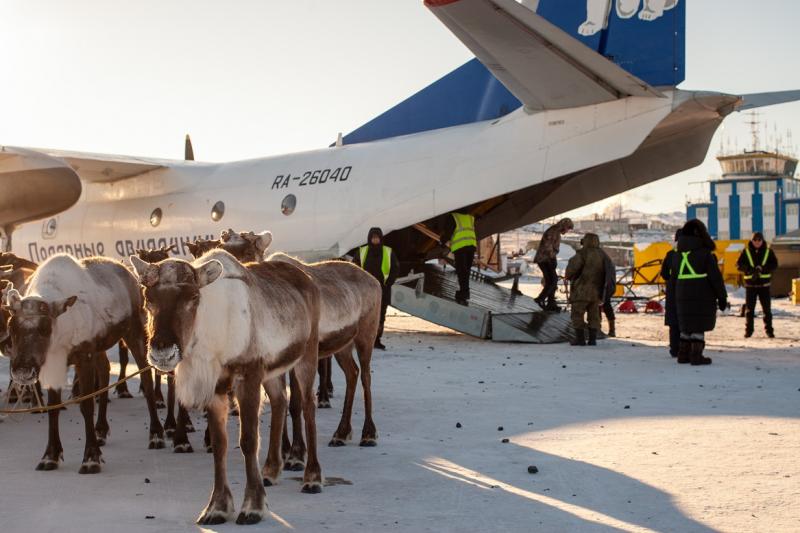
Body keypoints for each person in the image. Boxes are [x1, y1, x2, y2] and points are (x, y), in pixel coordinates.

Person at [670, 219, 727, 365]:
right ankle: (696, 355)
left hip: (681, 294)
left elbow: (672, 278)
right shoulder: (705, 253)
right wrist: (722, 297)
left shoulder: (677, 255)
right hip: (702, 294)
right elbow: (715, 278)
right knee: (698, 325)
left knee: (686, 324)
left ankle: (683, 354)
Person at [354, 227, 399, 350]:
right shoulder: (362, 252)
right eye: (373, 238)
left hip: (383, 290)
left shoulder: (388, 251)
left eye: (377, 238)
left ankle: (376, 340)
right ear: (369, 238)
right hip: (365, 291)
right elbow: (355, 268)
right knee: (363, 316)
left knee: (380, 316)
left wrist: (389, 282)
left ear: (380, 238)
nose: (375, 240)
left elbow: (395, 269)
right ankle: (361, 340)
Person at [565, 232, 605, 346]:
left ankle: (580, 339)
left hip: (581, 290)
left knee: (577, 314)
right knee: (594, 315)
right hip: (596, 292)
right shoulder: (602, 255)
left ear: (584, 241)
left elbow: (570, 271)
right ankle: (592, 340)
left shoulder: (581, 254)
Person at [736, 231, 778, 338]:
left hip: (764, 286)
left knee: (767, 310)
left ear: (762, 240)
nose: (757, 242)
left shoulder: (768, 252)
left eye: (759, 240)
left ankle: (769, 331)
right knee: (749, 310)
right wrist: (750, 270)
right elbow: (738, 265)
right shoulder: (745, 252)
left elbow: (775, 265)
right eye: (755, 240)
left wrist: (762, 269)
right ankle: (748, 331)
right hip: (751, 286)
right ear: (752, 240)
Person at [533, 218, 574, 311]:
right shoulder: (553, 231)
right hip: (545, 259)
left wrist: (552, 258)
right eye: (568, 228)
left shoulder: (556, 231)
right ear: (564, 226)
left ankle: (551, 303)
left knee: (552, 281)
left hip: (546, 259)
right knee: (552, 280)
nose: (567, 231)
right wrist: (551, 258)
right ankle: (541, 299)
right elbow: (548, 246)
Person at [441, 212, 477, 305]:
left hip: (460, 246)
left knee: (462, 271)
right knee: (466, 271)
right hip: (471, 246)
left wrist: (442, 241)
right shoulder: (470, 217)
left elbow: (447, 233)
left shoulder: (453, 217)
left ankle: (463, 294)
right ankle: (465, 293)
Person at [660, 229, 683, 357]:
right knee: (685, 320)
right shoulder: (691, 254)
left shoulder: (670, 254)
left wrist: (670, 280)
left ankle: (674, 348)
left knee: (673, 320)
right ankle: (686, 348)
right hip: (687, 291)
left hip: (672, 291)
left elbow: (663, 273)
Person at [600, 249, 617, 337]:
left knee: (596, 308)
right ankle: (612, 330)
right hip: (607, 287)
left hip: (600, 287)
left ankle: (596, 330)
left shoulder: (595, 254)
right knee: (607, 307)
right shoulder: (604, 255)